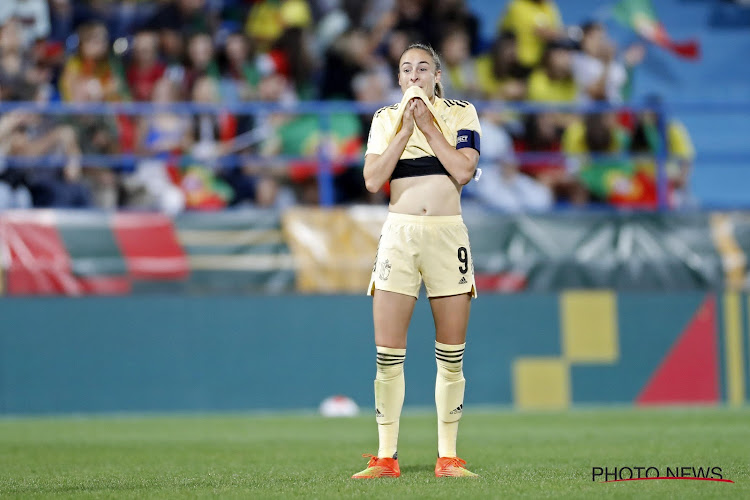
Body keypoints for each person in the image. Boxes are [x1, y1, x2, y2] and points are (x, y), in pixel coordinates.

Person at [352, 43, 481, 479]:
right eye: (406, 70)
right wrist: (405, 132)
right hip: (399, 236)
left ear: (437, 75)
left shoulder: (461, 113)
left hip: (447, 234)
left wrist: (427, 124)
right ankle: (386, 457)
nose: (413, 77)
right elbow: (372, 180)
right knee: (387, 354)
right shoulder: (385, 120)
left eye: (422, 69)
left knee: (451, 354)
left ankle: (448, 457)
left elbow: (463, 171)